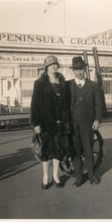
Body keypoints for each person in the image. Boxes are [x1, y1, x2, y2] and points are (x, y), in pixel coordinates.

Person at [30, 55, 68, 190]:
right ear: (46, 67)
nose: (54, 67)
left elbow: (66, 103)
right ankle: (45, 176)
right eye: (51, 65)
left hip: (59, 122)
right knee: (45, 151)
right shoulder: (39, 83)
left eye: (55, 64)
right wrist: (36, 124)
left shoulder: (62, 81)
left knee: (58, 150)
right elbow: (35, 105)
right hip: (45, 123)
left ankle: (55, 176)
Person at [66, 56, 102, 186]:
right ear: (73, 71)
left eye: (81, 69)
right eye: (76, 69)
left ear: (85, 70)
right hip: (72, 124)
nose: (79, 72)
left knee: (88, 150)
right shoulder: (67, 85)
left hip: (87, 124)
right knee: (75, 152)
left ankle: (92, 176)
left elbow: (98, 105)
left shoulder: (93, 85)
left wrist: (97, 119)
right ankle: (79, 178)